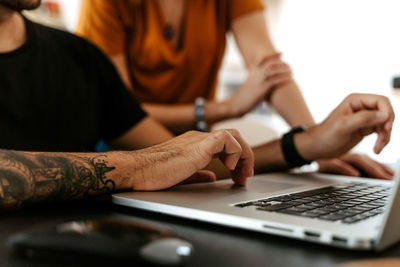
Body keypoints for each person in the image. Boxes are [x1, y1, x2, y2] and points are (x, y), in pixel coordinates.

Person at [0, 0, 395, 211]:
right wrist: (145, 163)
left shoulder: (79, 58)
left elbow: (189, 161)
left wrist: (308, 143)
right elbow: (154, 157)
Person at [76, 0, 393, 178]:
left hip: (200, 150)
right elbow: (119, 110)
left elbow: (270, 72)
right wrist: (223, 109)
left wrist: (319, 141)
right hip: (124, 154)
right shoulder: (104, 5)